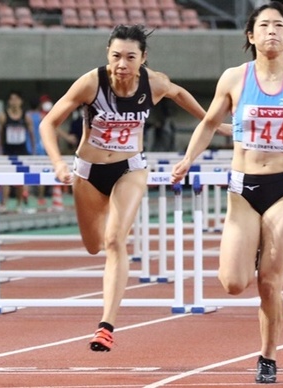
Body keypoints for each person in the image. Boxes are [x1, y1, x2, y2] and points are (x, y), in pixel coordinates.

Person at [170, 2, 283, 383]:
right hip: (242, 187)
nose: (271, 31)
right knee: (233, 283)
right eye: (263, 25)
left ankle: (268, 356)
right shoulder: (235, 78)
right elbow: (208, 123)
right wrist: (187, 160)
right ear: (250, 36)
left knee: (271, 281)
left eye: (278, 26)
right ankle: (250, 245)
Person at [39, 24, 229, 353]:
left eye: (130, 57)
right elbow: (48, 123)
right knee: (94, 245)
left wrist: (212, 122)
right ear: (107, 55)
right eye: (116, 56)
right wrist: (57, 163)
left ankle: (106, 326)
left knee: (115, 240)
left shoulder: (153, 82)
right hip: (87, 171)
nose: (122, 64)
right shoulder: (91, 83)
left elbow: (179, 93)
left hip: (130, 167)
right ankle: (106, 306)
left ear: (143, 59)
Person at [0, 90, 35, 212]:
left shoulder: (26, 116)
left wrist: (33, 150)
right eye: (11, 99)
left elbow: (31, 134)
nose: (14, 102)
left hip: (22, 151)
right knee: (5, 179)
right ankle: (4, 204)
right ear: (9, 102)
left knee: (20, 179)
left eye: (16, 99)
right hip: (8, 150)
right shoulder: (3, 116)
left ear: (21, 101)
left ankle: (19, 204)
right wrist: (0, 151)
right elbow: (0, 135)